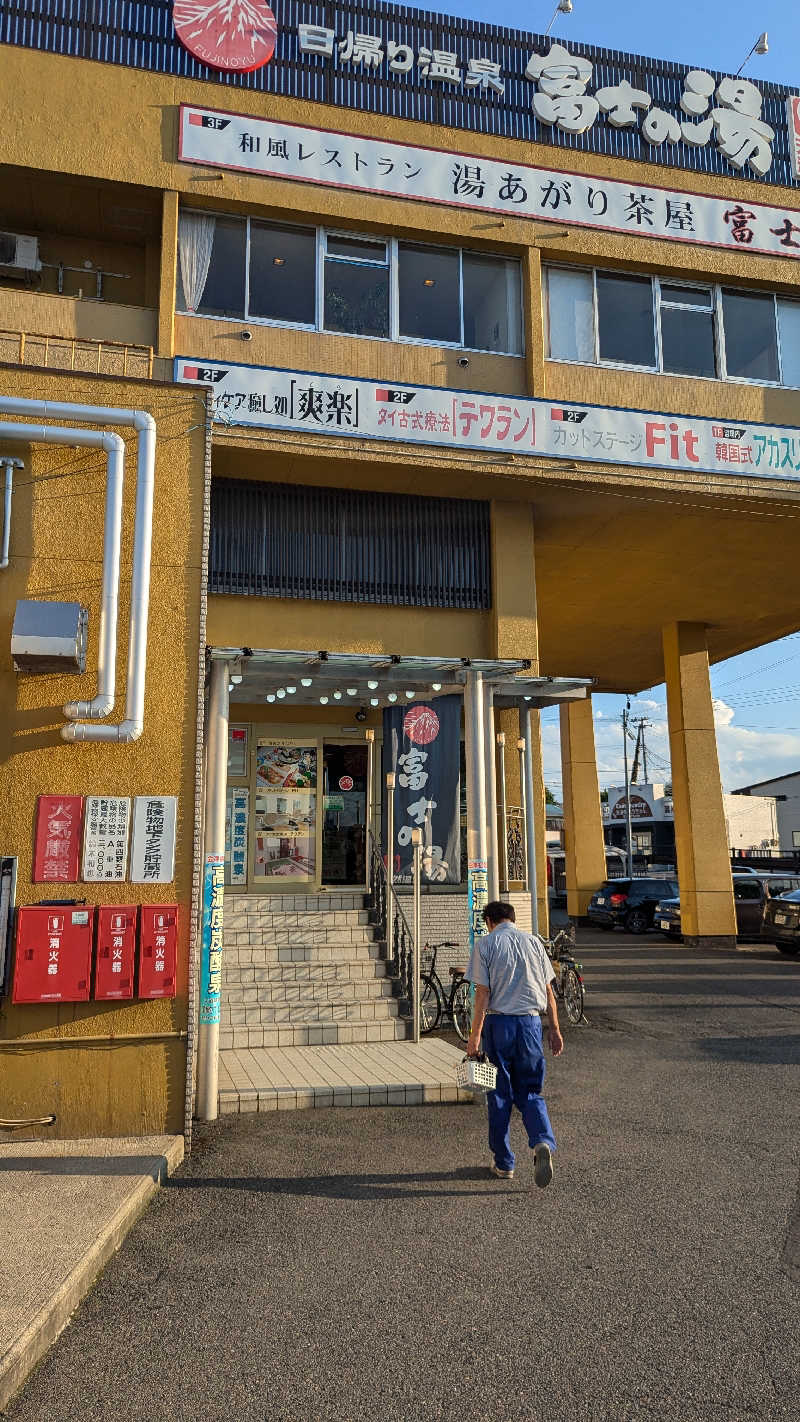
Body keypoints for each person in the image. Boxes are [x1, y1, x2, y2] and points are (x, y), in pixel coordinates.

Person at [466, 901, 563, 1187]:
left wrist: (474, 1038)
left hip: (499, 1025)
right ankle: (541, 1141)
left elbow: (482, 994)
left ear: (489, 921)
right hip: (531, 1024)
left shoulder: (486, 945)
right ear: (513, 918)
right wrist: (555, 1029)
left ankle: (504, 1162)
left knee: (499, 1095)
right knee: (531, 1091)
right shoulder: (533, 943)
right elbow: (548, 991)